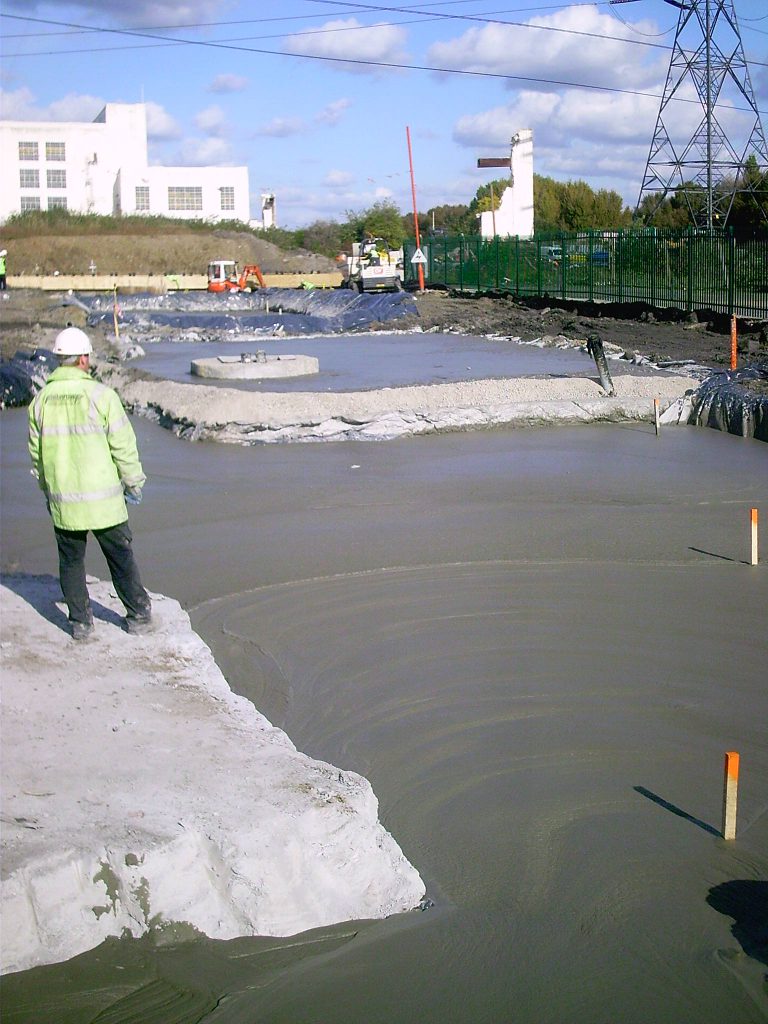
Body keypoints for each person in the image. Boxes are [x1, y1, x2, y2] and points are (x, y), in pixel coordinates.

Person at [28, 326, 152, 641]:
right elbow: (123, 446)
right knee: (120, 558)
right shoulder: (102, 396)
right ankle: (138, 616)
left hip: (64, 501)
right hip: (104, 503)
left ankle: (81, 624)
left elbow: (37, 456)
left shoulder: (40, 401)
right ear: (83, 359)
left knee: (70, 562)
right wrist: (133, 482)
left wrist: (47, 490)